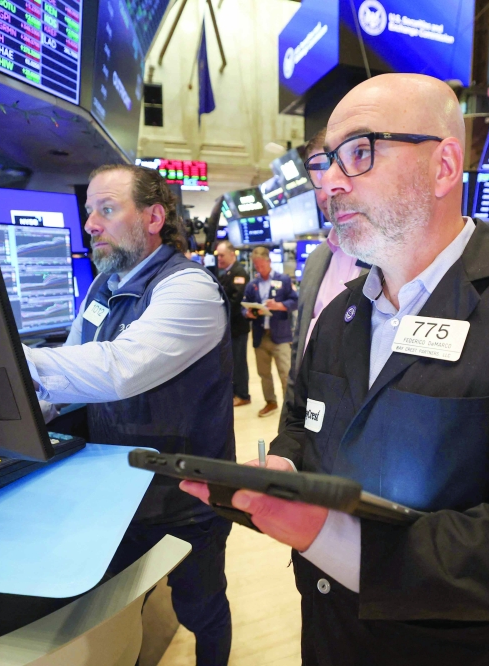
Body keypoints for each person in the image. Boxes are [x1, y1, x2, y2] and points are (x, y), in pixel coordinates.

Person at [182, 73, 489, 665]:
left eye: (361, 152)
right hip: (328, 637)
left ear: (444, 165)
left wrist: (332, 535)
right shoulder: (342, 313)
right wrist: (284, 467)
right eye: (326, 161)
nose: (331, 183)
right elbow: (304, 421)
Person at [24, 164, 235, 666]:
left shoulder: (189, 289)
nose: (91, 224)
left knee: (199, 608)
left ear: (155, 216)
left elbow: (119, 369)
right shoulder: (101, 287)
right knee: (115, 609)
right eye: (89, 211)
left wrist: (3, 358)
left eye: (107, 209)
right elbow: (75, 370)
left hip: (188, 498)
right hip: (118, 492)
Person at [281, 128, 368, 428]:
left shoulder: (388, 259)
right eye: (318, 173)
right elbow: (299, 348)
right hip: (307, 415)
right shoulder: (318, 259)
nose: (327, 189)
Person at [243, 246, 298, 417]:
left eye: (261, 265)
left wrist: (279, 306)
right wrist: (249, 312)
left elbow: (295, 301)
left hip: (280, 335)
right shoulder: (252, 285)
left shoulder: (283, 280)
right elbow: (244, 307)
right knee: (264, 373)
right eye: (256, 266)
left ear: (269, 261)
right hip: (261, 335)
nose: (259, 269)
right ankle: (270, 402)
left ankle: (290, 408)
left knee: (285, 373)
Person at [215, 239, 252, 406]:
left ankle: (243, 394)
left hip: (237, 326)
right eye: (218, 256)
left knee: (239, 362)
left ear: (232, 254)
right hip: (230, 327)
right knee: (232, 362)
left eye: (222, 255)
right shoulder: (227, 274)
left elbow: (234, 301)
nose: (219, 259)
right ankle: (235, 392)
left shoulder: (239, 273)